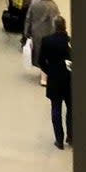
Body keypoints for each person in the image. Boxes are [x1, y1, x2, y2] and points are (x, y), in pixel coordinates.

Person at [37, 16, 73, 149]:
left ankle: (59, 140)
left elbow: (41, 61)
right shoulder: (69, 42)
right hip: (69, 79)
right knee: (71, 109)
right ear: (65, 27)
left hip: (54, 80)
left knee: (56, 109)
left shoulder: (47, 41)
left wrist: (50, 71)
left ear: (54, 26)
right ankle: (71, 136)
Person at [23, 0, 61, 86]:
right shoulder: (53, 6)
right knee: (47, 55)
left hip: (36, 33)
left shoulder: (34, 3)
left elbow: (28, 18)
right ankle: (44, 77)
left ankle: (43, 75)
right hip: (49, 33)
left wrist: (26, 32)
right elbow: (57, 21)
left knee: (39, 53)